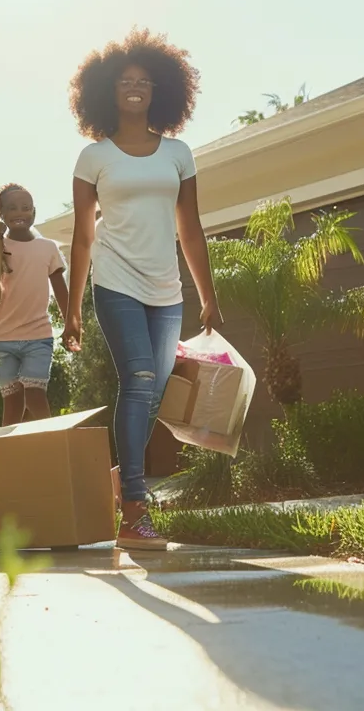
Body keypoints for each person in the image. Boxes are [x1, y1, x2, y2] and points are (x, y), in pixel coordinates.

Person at [62, 29, 221, 552]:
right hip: (116, 280)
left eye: (144, 81)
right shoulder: (94, 157)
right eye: (125, 81)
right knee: (140, 379)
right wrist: (72, 311)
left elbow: (190, 229)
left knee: (151, 393)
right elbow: (84, 237)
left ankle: (118, 480)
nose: (135, 88)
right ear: (108, 90)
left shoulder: (177, 153)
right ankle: (135, 508)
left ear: (160, 91)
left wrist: (207, 293)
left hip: (166, 287)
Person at [0, 183, 68, 426]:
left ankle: (53, 442)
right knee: (12, 402)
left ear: (34, 212)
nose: (20, 213)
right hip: (2, 336)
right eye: (12, 208)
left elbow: (60, 289)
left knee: (35, 395)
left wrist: (71, 324)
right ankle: (8, 454)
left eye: (26, 208)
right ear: (1, 214)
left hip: (38, 335)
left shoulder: (48, 248)